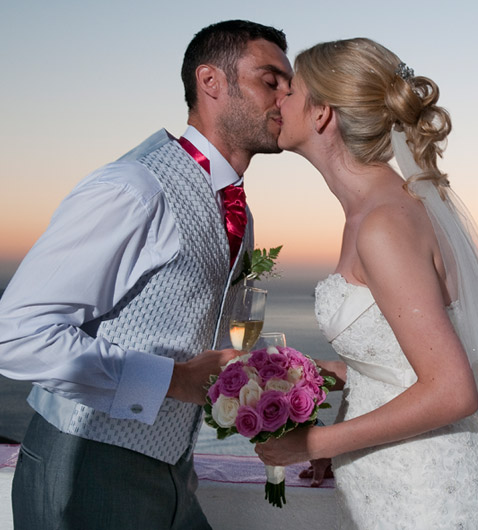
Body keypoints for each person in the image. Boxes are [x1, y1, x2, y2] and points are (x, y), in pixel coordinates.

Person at [0, 20, 292, 529]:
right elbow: (18, 333)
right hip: (85, 468)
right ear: (211, 82)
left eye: (289, 86)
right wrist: (177, 381)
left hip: (174, 468)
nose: (286, 98)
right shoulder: (134, 188)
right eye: (271, 81)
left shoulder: (235, 210)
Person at [254, 38, 478, 528]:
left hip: (432, 497)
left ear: (322, 115)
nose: (277, 97)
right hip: (395, 484)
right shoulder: (370, 210)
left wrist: (309, 444)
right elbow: (403, 362)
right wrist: (336, 377)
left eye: (291, 90)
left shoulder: (383, 224)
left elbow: (452, 392)